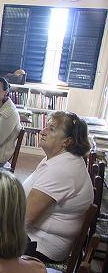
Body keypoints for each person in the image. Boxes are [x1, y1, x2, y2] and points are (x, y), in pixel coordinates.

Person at [23, 111, 93, 263]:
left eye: (52, 129)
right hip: (37, 235)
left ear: (67, 141)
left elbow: (25, 217)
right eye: (46, 126)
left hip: (41, 244)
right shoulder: (60, 159)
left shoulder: (61, 169)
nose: (43, 131)